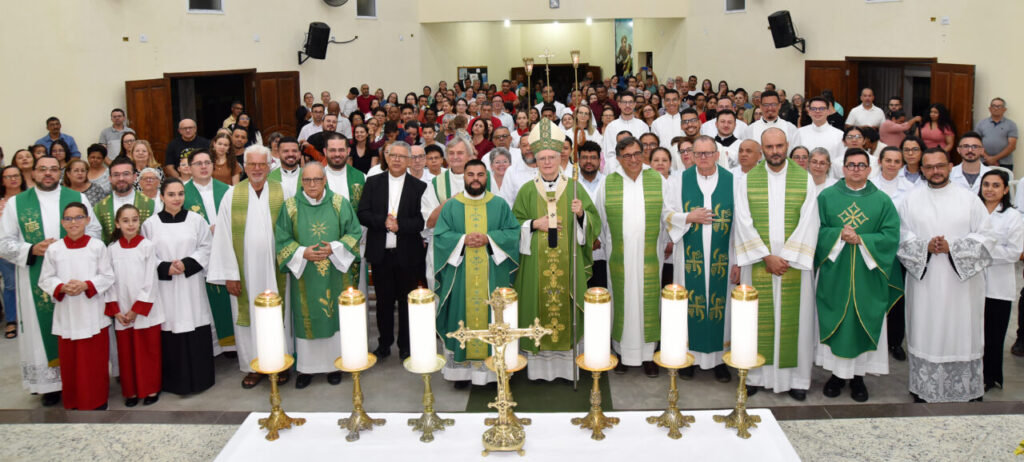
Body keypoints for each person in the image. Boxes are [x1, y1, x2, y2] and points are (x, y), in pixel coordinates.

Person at [0, 156, 102, 406]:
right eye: (42, 169)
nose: (48, 173)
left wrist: (71, 246)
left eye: (53, 169)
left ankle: (79, 380)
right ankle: (49, 385)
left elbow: (95, 231)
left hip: (74, 276)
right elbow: (4, 243)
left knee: (77, 326)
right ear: (33, 173)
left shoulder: (76, 198)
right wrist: (32, 248)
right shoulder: (17, 204)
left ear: (61, 173)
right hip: (34, 275)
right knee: (39, 327)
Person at [897, 147, 993, 403]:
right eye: (929, 167)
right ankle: (925, 387)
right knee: (926, 330)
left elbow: (987, 236)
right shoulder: (911, 199)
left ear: (951, 166)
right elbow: (901, 236)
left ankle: (964, 389)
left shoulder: (970, 199)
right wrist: (924, 247)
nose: (935, 171)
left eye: (940, 166)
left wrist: (955, 248)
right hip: (926, 282)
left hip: (963, 285)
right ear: (922, 169)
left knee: (962, 331)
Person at [732, 128, 819, 400]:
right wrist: (765, 256)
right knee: (755, 320)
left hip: (792, 264)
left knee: (796, 322)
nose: (775, 151)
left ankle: (796, 380)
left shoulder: (803, 179)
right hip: (759, 263)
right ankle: (755, 375)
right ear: (762, 149)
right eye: (769, 147)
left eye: (779, 145)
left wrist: (788, 257)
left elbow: (809, 221)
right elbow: (742, 221)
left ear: (787, 145)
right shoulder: (748, 180)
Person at [512, 121, 600, 382]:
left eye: (552, 157)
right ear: (535, 160)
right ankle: (539, 371)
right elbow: (512, 226)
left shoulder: (574, 187)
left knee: (567, 311)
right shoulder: (527, 190)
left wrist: (582, 214)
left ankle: (567, 368)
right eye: (542, 158)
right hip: (535, 268)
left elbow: (594, 222)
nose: (547, 162)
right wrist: (532, 224)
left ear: (560, 157)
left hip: (568, 263)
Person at [814, 148, 901, 403]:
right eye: (851, 165)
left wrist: (861, 238)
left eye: (861, 165)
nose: (855, 169)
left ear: (869, 169)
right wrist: (837, 235)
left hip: (868, 274)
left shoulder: (882, 200)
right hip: (835, 272)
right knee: (837, 320)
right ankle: (836, 376)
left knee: (864, 319)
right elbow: (813, 230)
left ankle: (859, 377)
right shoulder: (827, 197)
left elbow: (891, 236)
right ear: (843, 168)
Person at [207, 145, 291, 389]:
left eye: (261, 164)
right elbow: (222, 237)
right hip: (244, 273)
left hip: (276, 271)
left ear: (269, 166)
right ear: (244, 166)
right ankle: (254, 366)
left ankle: (280, 363)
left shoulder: (282, 191)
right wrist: (230, 275)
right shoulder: (232, 195)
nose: (256, 169)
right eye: (252, 164)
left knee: (277, 317)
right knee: (249, 320)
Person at [434, 159, 520, 388]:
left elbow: (513, 232)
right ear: (464, 177)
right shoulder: (452, 206)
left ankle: (491, 371)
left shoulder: (499, 204)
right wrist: (462, 240)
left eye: (480, 174)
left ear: (487, 177)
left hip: (492, 274)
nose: (475, 178)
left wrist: (488, 238)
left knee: (493, 316)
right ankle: (461, 374)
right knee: (461, 316)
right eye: (470, 174)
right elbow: (440, 237)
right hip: (461, 275)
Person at [276, 162, 361, 387]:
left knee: (334, 316)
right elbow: (282, 238)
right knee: (307, 316)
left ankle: (335, 364)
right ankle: (306, 368)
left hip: (335, 271)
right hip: (304, 273)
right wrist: (303, 252)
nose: (312, 185)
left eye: (317, 180)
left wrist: (333, 248)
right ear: (301, 182)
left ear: (325, 180)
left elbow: (354, 232)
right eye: (307, 180)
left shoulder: (339, 203)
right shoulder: (291, 206)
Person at [663, 135, 735, 382]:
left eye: (708, 153)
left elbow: (741, 223)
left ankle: (719, 360)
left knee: (720, 305)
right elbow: (667, 214)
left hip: (723, 258)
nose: (703, 158)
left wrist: (737, 260)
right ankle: (688, 357)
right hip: (689, 257)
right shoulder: (678, 181)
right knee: (688, 305)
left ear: (717, 154)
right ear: (691, 156)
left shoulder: (732, 181)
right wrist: (688, 218)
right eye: (698, 153)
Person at [594, 137, 668, 378]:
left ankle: (648, 356)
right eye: (627, 156)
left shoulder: (657, 179)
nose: (634, 160)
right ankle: (621, 353)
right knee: (621, 300)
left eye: (637, 153)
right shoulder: (609, 183)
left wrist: (672, 235)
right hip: (619, 257)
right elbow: (597, 217)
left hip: (650, 256)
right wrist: (589, 228)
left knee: (649, 301)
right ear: (618, 159)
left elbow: (669, 213)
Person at [142, 178, 216, 395]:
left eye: (180, 194)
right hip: (167, 288)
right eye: (171, 194)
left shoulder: (196, 220)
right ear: (161, 196)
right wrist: (165, 267)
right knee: (170, 329)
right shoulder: (150, 224)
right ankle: (174, 382)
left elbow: (206, 247)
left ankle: (201, 379)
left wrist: (187, 264)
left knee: (195, 324)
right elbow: (145, 256)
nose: (177, 199)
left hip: (191, 284)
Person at [38, 202, 115, 410]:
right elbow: (45, 279)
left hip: (92, 311)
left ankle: (97, 399)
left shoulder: (97, 246)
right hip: (68, 313)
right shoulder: (54, 249)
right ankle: (72, 400)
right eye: (69, 219)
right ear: (62, 222)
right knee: (70, 361)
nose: (74, 223)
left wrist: (86, 285)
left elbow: (108, 276)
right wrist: (61, 287)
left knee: (95, 361)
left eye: (79, 217)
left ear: (87, 220)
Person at [356, 142, 425, 362]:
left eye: (401, 156)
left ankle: (405, 345)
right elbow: (362, 213)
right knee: (384, 303)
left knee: (407, 303)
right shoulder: (373, 182)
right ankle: (384, 344)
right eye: (392, 155)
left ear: (409, 161)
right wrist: (383, 222)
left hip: (408, 254)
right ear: (386, 157)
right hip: (381, 254)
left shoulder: (419, 187)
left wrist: (400, 226)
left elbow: (421, 221)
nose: (396, 160)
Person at [106, 204, 162, 406]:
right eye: (126, 220)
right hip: (122, 311)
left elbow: (150, 281)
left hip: (145, 311)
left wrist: (137, 309)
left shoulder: (147, 246)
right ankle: (130, 392)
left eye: (135, 219)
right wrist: (117, 311)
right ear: (117, 224)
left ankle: (151, 389)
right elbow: (109, 280)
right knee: (127, 353)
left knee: (148, 351)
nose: (131, 224)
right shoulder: (112, 250)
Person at [181, 149, 234, 351]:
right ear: (190, 167)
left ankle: (231, 345)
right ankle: (213, 346)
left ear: (213, 165)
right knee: (204, 303)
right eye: (198, 163)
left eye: (207, 162)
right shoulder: (182, 193)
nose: (203, 167)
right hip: (199, 256)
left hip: (226, 252)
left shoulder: (228, 190)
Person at [976, 170, 1022, 391]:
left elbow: (1014, 252)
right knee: (975, 334)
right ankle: (973, 374)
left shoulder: (1013, 216)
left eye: (996, 185)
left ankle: (990, 377)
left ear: (1005, 189)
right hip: (972, 284)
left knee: (994, 335)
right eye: (986, 184)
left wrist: (981, 252)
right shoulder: (972, 212)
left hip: (999, 287)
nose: (990, 189)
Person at [92, 156, 156, 244]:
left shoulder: (151, 204)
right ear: (110, 178)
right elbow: (96, 239)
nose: (121, 178)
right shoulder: (100, 207)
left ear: (134, 177)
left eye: (126, 174)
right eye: (116, 175)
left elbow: (157, 236)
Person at [0, 165, 26, 338]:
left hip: (29, 247)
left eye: (16, 175)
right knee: (10, 285)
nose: (13, 179)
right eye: (8, 177)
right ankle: (11, 320)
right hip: (6, 250)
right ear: (2, 180)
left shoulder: (30, 198)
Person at [794, 97, 847, 174]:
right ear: (809, 112)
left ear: (828, 111)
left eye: (821, 108)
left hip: (831, 179)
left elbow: (842, 161)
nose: (817, 111)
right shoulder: (799, 133)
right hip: (805, 178)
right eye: (814, 109)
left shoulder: (839, 135)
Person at [600, 92, 650, 162]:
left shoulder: (643, 126)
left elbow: (645, 150)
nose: (627, 105)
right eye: (624, 102)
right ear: (619, 104)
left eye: (630, 102)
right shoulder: (611, 127)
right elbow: (608, 153)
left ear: (635, 104)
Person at [976, 97, 1018, 169]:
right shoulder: (981, 123)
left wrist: (994, 159)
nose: (996, 108)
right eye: (993, 106)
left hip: (1005, 163)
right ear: (989, 108)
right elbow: (976, 143)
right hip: (983, 161)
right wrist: (987, 158)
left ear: (1004, 109)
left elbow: (1012, 146)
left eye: (999, 106)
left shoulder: (1011, 125)